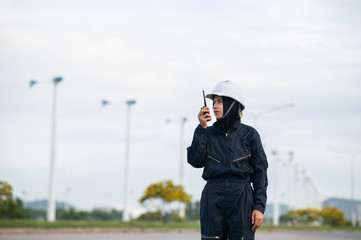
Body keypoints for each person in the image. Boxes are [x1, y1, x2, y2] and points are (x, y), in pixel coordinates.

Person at [187, 80, 268, 240]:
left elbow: (260, 173)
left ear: (232, 104)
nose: (214, 106)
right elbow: (195, 160)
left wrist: (259, 207)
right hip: (213, 196)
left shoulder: (250, 135)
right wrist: (201, 129)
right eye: (213, 102)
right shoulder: (206, 133)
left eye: (220, 101)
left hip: (242, 197)